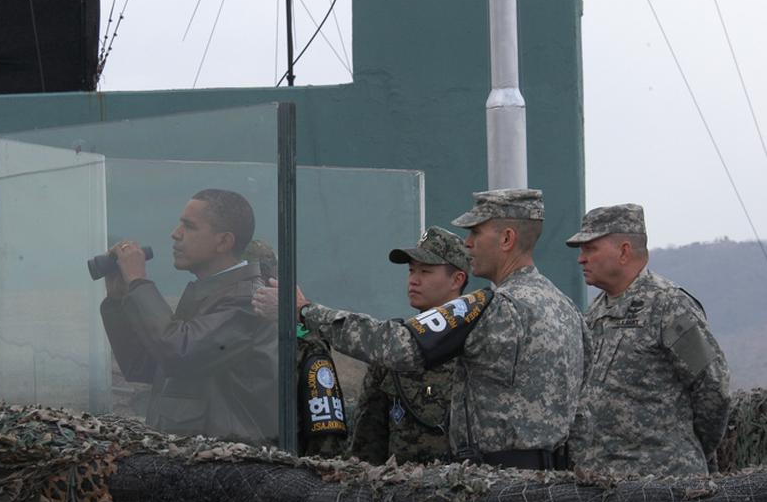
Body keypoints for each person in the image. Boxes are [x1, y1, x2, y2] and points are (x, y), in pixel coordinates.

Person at [254, 189, 586, 470]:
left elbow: (399, 343)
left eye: (475, 233)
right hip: (551, 490)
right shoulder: (567, 309)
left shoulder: (489, 305)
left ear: (507, 239)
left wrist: (307, 311)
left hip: (496, 487)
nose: (467, 244)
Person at [100, 188, 277, 443]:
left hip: (229, 468)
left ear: (223, 241)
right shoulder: (208, 294)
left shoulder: (249, 302)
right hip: (191, 460)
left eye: (189, 226)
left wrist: (139, 282)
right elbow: (145, 365)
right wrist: (119, 301)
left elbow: (179, 352)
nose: (175, 234)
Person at [565, 204, 730, 476]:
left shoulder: (669, 306)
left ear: (624, 251)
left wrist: (682, 448)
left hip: (666, 484)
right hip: (602, 485)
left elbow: (712, 387)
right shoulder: (595, 312)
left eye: (590, 249)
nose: (581, 259)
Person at [350, 226, 471, 465]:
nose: (413, 280)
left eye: (425, 271)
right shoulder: (396, 347)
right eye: (411, 271)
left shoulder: (478, 346)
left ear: (457, 279)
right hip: (402, 494)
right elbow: (366, 445)